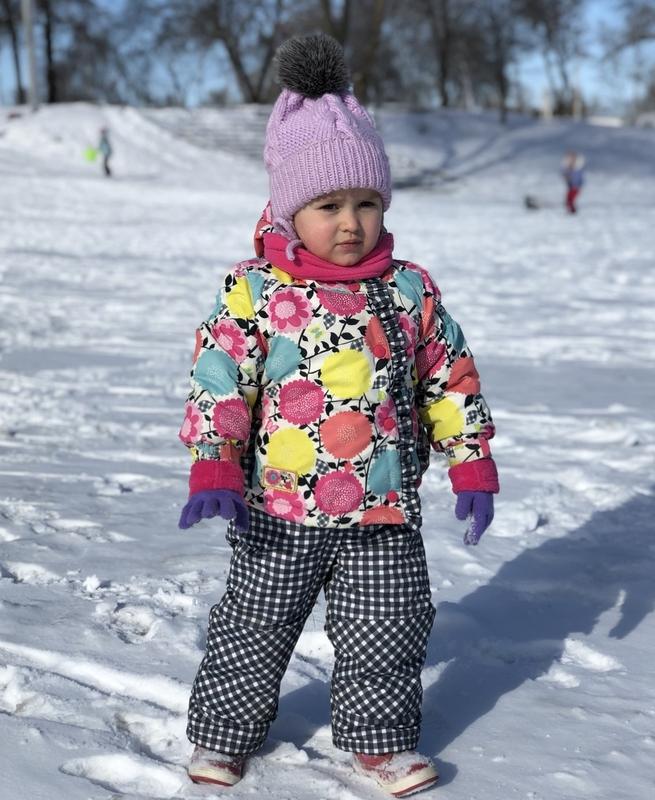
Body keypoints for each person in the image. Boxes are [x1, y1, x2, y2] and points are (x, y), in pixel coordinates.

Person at [177, 34, 499, 798]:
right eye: (328, 206)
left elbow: (447, 376)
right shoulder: (257, 290)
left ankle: (379, 744)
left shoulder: (409, 289)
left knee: (388, 627)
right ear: (292, 210)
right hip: (277, 507)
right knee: (253, 625)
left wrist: (471, 460)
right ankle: (224, 734)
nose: (350, 222)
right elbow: (220, 376)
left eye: (366, 203)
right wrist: (214, 460)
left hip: (383, 510)